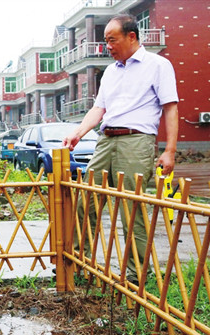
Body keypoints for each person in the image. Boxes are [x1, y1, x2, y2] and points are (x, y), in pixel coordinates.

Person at [62, 14, 179, 282]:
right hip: (106, 141)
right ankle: (79, 262)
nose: (108, 47)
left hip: (136, 141)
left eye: (112, 40)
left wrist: (170, 150)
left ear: (131, 37)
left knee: (131, 208)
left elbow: (170, 107)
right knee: (87, 199)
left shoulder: (158, 65)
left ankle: (137, 274)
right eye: (105, 42)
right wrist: (78, 133)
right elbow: (99, 108)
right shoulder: (110, 72)